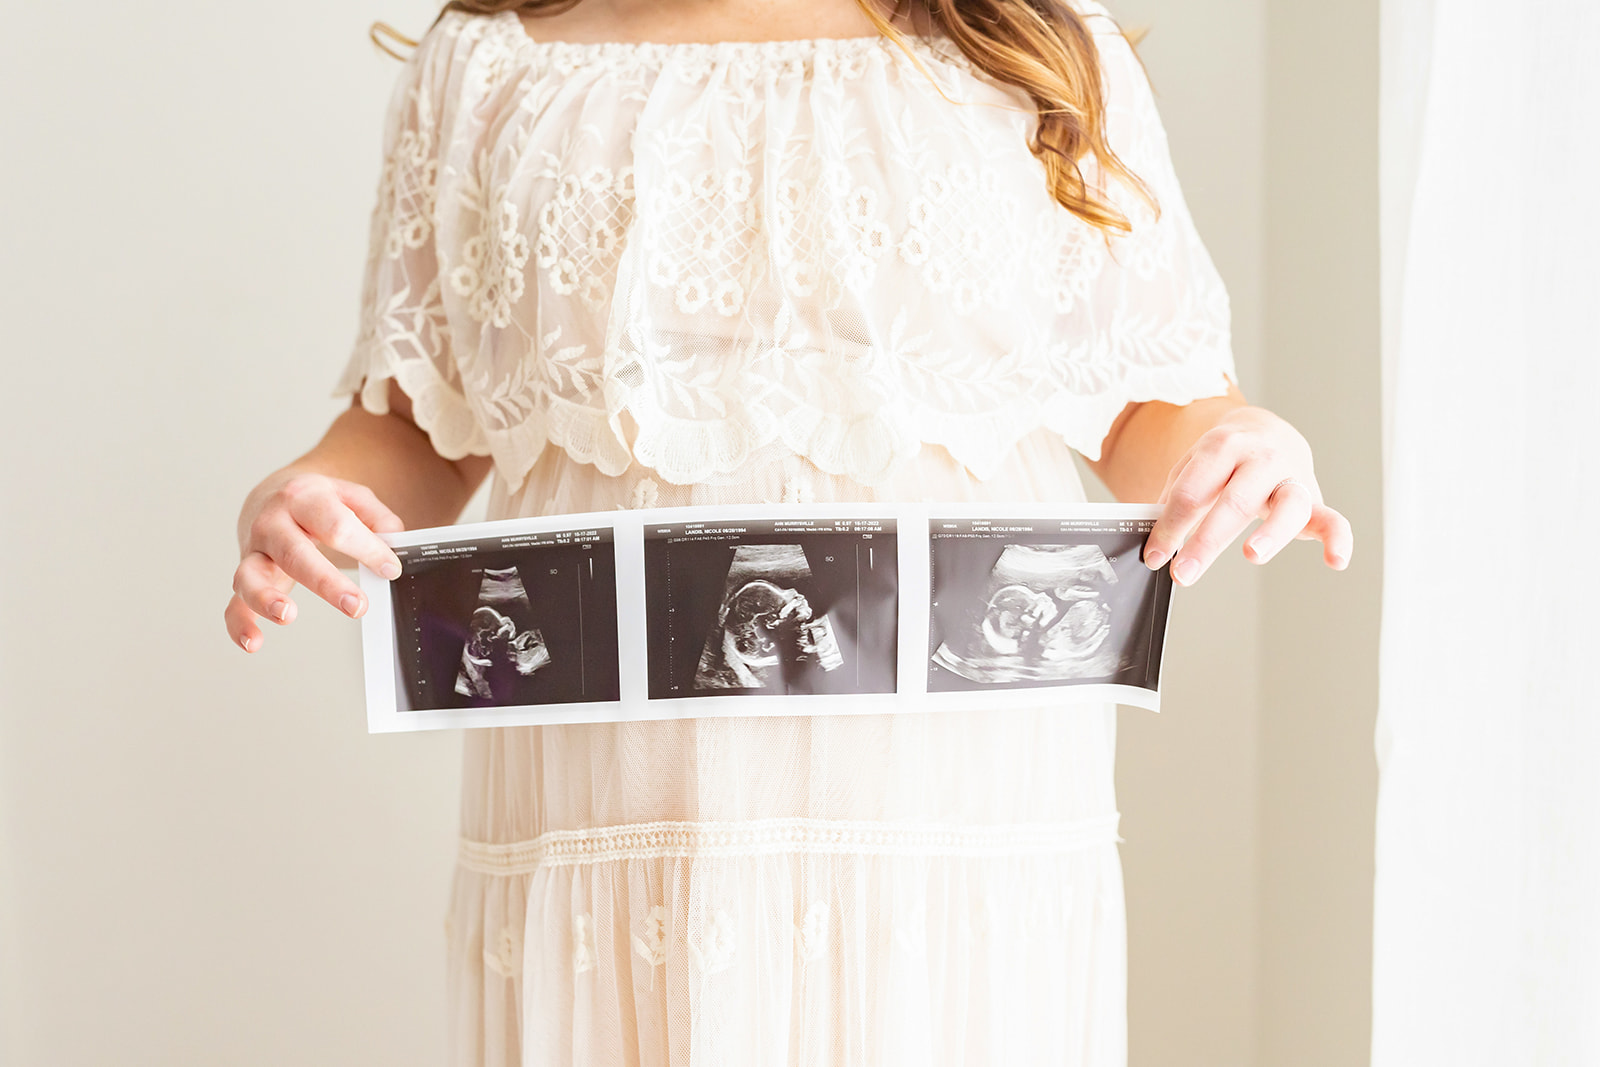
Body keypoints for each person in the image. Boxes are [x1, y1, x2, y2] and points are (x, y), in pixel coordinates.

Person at [225, 0, 1352, 1062]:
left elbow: (1147, 394)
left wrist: (1238, 441)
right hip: (610, 792)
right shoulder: (492, 65)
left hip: (941, 789)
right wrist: (314, 492)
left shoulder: (1033, 44)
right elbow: (425, 417)